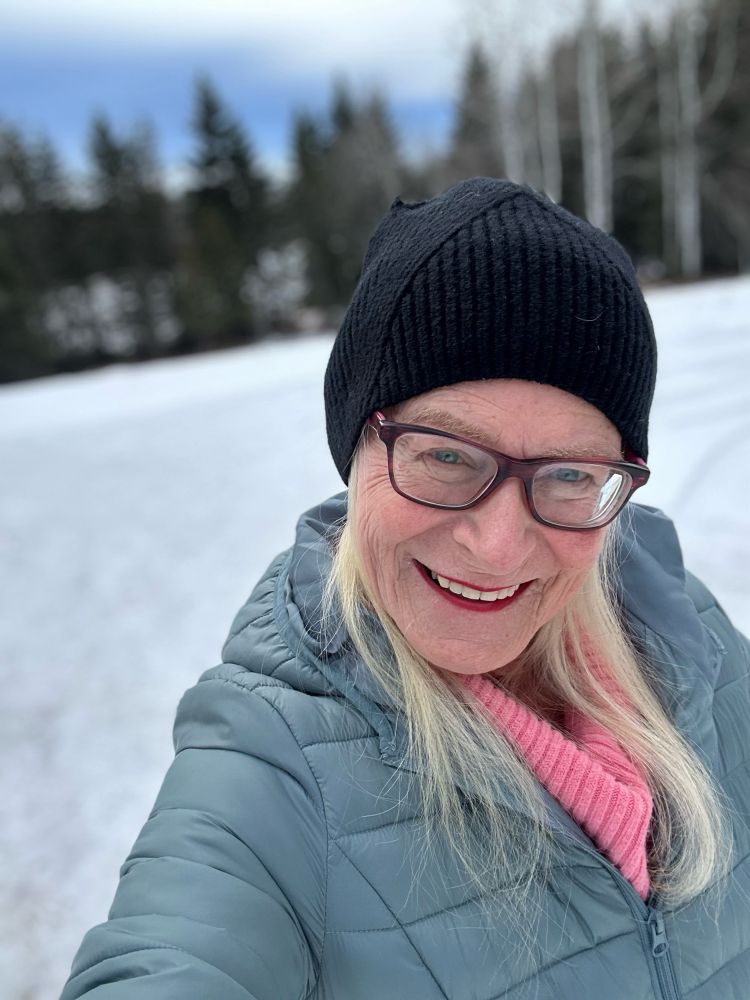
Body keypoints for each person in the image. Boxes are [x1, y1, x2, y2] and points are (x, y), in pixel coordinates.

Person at [61, 178, 750, 999]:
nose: (497, 545)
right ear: (358, 451)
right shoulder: (272, 757)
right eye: (446, 456)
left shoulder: (681, 632)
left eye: (570, 475)